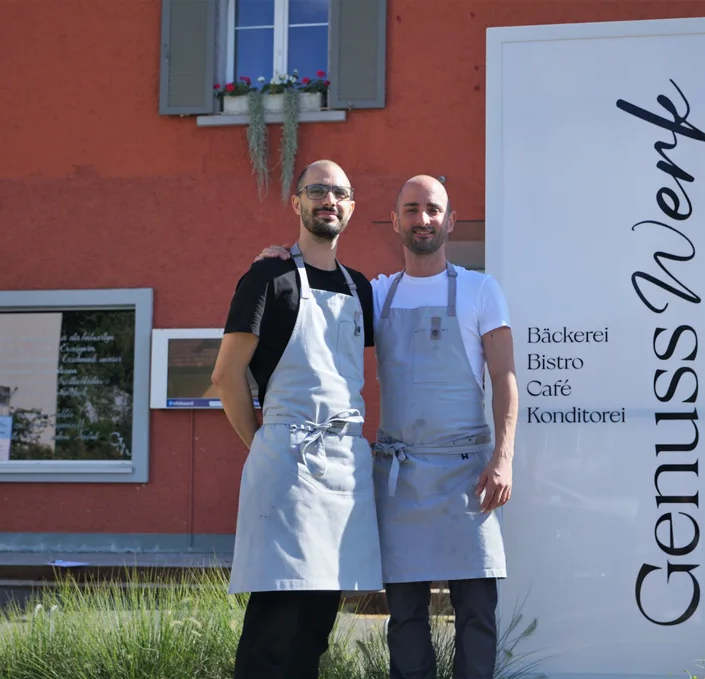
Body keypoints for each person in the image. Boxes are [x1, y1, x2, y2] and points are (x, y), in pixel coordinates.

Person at [253, 174, 519, 679]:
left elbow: (506, 380)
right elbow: (319, 294)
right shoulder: (373, 294)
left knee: (478, 614)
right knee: (406, 616)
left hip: (469, 474)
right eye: (413, 209)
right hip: (399, 475)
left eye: (433, 209)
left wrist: (503, 459)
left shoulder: (483, 291)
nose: (424, 219)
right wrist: (283, 262)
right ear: (395, 221)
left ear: (450, 221)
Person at [213, 159, 383, 679]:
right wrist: (263, 442)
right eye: (316, 190)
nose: (328, 199)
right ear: (296, 202)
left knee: (315, 627)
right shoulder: (268, 275)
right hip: (288, 460)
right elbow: (226, 376)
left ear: (351, 207)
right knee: (276, 622)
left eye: (339, 192)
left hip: (343, 466)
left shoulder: (361, 288)